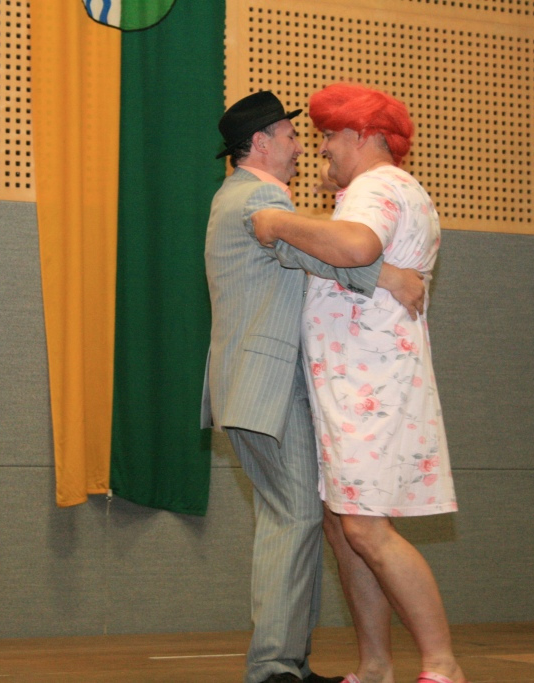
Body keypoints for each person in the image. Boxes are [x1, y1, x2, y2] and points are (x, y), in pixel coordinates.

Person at [201, 90, 426, 683]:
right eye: (291, 136)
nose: (302, 148)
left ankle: (290, 663)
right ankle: (275, 667)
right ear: (260, 143)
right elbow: (321, 254)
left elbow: (308, 248)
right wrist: (391, 276)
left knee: (296, 517)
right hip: (267, 385)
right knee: (294, 518)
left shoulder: (235, 195)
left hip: (255, 386)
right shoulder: (259, 198)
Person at [252, 83, 467, 683]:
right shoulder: (379, 190)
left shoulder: (378, 186)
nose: (321, 147)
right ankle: (375, 667)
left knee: (366, 529)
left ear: (366, 136)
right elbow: (361, 255)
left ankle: (443, 664)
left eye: (330, 136)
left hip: (369, 387)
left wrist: (278, 220)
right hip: (353, 387)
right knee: (345, 528)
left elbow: (354, 247)